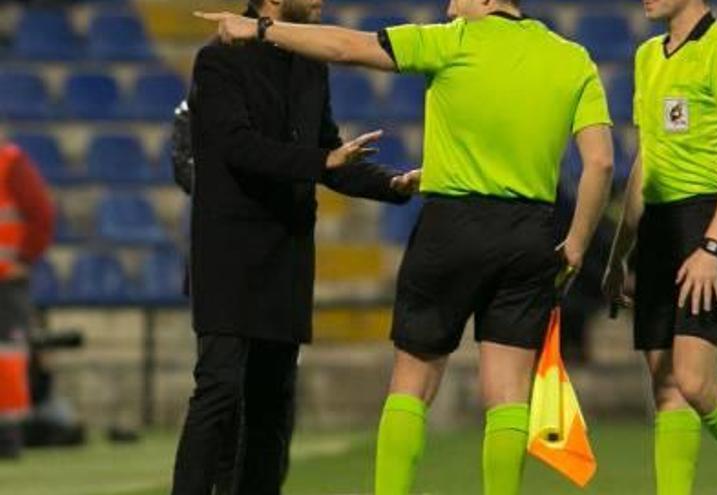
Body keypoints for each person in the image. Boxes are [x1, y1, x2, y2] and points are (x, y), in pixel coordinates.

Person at [196, 1, 615, 493]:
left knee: (412, 387)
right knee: (507, 397)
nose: (449, 3)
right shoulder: (571, 57)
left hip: (450, 227)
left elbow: (346, 46)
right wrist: (577, 245)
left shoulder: (451, 39)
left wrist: (260, 29)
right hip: (529, 233)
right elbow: (602, 164)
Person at [174, 0, 420, 493]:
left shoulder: (309, 63)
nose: (320, 0)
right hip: (230, 252)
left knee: (273, 399)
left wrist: (390, 184)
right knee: (220, 387)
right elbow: (236, 147)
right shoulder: (219, 59)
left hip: (286, 252)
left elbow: (329, 149)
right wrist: (323, 160)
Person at [601, 1, 717, 494]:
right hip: (659, 229)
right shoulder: (647, 56)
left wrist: (711, 246)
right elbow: (646, 161)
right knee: (665, 386)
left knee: (695, 382)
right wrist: (621, 251)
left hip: (706, 223)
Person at [0, 139, 55, 459]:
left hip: (6, 281)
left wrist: (24, 259)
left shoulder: (10, 162)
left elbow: (40, 214)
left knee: (7, 356)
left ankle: (7, 436)